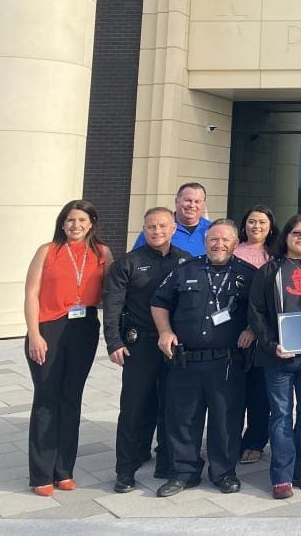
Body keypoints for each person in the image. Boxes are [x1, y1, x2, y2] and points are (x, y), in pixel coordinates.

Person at [150, 219, 256, 497]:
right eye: (213, 240)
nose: (219, 244)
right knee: (183, 419)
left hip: (227, 363)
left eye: (225, 240)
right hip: (186, 360)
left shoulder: (249, 274)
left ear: (235, 244)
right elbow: (159, 302)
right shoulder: (186, 270)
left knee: (226, 420)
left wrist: (251, 329)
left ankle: (223, 472)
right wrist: (165, 332)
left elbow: (263, 309)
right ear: (206, 242)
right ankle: (184, 472)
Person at [23, 200, 113, 496]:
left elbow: (113, 293)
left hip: (84, 327)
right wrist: (34, 333)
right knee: (47, 400)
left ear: (91, 223)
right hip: (49, 327)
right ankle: (41, 474)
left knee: (71, 398)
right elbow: (31, 293)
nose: (76, 225)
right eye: (70, 220)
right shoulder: (47, 250)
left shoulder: (102, 253)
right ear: (62, 224)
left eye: (82, 220)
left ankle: (64, 470)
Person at [103, 207, 192, 493]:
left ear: (173, 228)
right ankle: (125, 469)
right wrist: (114, 342)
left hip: (174, 345)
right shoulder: (128, 263)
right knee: (134, 407)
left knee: (172, 406)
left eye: (163, 226)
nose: (157, 231)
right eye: (151, 227)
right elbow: (112, 305)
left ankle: (167, 462)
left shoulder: (185, 261)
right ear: (144, 229)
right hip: (139, 344)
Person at [247, 214, 301, 500]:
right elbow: (256, 312)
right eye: (296, 233)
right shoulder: (270, 270)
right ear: (285, 236)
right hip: (279, 358)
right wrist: (271, 344)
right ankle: (282, 475)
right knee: (281, 416)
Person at [235, 205, 277, 466]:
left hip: (263, 333)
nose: (256, 226)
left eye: (262, 222)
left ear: (270, 227)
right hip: (232, 333)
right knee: (235, 391)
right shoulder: (232, 250)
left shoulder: (275, 257)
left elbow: (272, 301)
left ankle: (255, 441)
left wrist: (254, 329)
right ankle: (230, 438)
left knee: (261, 392)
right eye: (252, 221)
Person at [134, 182, 211, 256]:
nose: (192, 205)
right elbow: (135, 261)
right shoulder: (156, 230)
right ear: (176, 201)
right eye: (188, 200)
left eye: (197, 201)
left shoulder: (212, 230)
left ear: (203, 204)